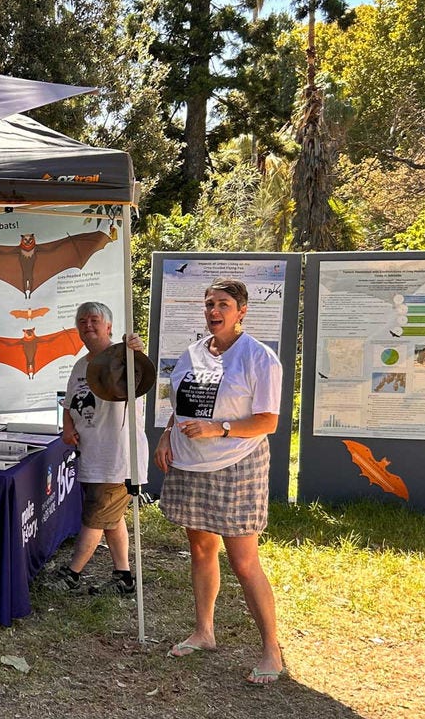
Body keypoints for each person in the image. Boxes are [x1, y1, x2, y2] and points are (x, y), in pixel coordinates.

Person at [153, 277, 285, 684]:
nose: (214, 311)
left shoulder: (259, 357)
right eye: (209, 304)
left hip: (236, 464)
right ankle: (204, 632)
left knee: (243, 562)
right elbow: (181, 405)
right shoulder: (193, 352)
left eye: (223, 304)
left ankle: (272, 649)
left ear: (242, 311)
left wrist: (220, 428)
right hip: (191, 464)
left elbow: (268, 421)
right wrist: (166, 434)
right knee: (200, 550)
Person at [46, 302, 147, 595]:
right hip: (92, 455)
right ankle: (123, 577)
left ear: (109, 327)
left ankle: (72, 574)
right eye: (82, 321)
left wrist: (135, 349)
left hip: (117, 458)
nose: (87, 325)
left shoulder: (123, 358)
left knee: (95, 517)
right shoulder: (81, 365)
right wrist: (67, 427)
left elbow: (141, 371)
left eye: (94, 320)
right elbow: (69, 404)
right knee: (110, 518)